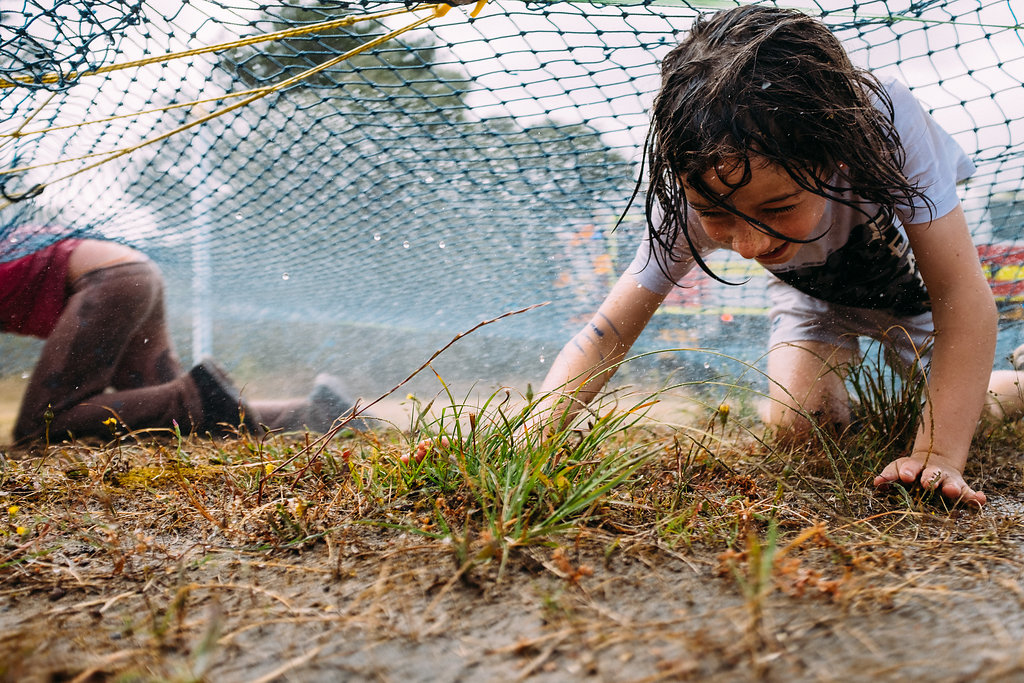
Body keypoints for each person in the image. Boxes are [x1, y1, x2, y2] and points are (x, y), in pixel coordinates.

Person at [534, 5, 1023, 507]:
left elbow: (961, 294)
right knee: (795, 424)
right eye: (717, 215)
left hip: (910, 285)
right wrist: (534, 439)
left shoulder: (884, 121)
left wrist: (937, 455)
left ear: (833, 154)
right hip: (811, 294)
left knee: (974, 401)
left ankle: (1020, 386)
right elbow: (608, 332)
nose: (750, 247)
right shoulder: (690, 185)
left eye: (778, 206)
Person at [1, 236, 361, 443]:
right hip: (132, 274)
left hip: (105, 280)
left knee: (41, 427)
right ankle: (316, 411)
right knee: (170, 417)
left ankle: (192, 394)